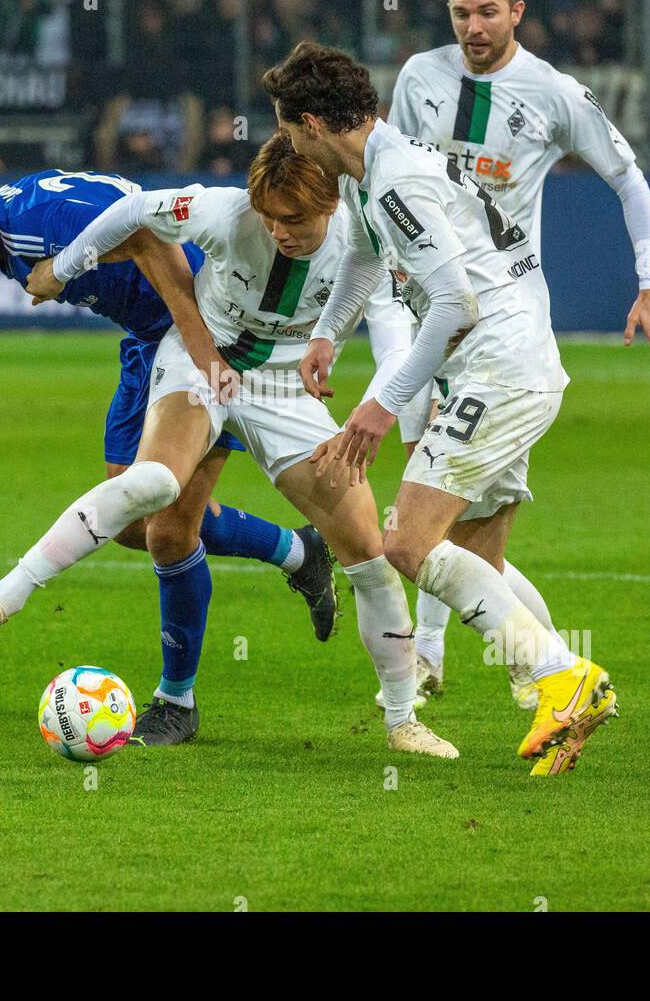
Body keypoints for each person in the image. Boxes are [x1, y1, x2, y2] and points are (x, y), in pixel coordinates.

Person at [0, 135, 459, 757]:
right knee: (157, 502)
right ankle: (7, 597)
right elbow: (134, 214)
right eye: (270, 215)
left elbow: (396, 342)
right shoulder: (226, 210)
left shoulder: (365, 241)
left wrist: (377, 407)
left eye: (295, 219)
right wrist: (63, 267)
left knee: (371, 556)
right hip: (199, 366)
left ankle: (402, 720)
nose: (279, 231)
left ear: (329, 203)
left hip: (286, 391)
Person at [264, 41, 617, 775]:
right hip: (510, 361)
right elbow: (364, 257)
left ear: (310, 123)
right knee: (478, 553)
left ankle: (561, 675)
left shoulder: (396, 178)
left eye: (292, 135)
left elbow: (455, 303)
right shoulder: (371, 170)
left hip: (499, 366)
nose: (292, 149)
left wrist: (380, 407)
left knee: (406, 542)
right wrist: (327, 333)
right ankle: (572, 691)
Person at [0, 165, 337, 738]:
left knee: (168, 531)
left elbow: (148, 235)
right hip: (148, 341)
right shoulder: (9, 229)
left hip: (214, 328)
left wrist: (205, 352)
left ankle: (176, 703)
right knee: (134, 523)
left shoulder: (41, 222)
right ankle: (298, 552)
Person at [387, 0, 650, 696]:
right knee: (465, 534)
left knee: (447, 533)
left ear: (516, 11)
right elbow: (401, 176)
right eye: (460, 13)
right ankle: (551, 675)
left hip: (505, 327)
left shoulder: (552, 93)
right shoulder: (419, 77)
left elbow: (628, 177)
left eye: (487, 12)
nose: (473, 27)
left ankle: (544, 672)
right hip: (436, 316)